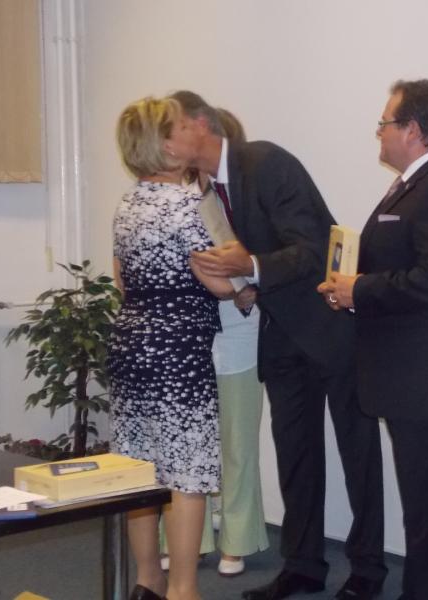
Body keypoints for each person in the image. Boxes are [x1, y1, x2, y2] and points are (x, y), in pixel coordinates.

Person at [170, 91, 387, 600]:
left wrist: (250, 266)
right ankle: (304, 565)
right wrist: (244, 283)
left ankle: (369, 570)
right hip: (282, 334)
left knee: (358, 455)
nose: (164, 142)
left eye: (170, 129)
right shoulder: (208, 189)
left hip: (331, 327)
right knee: (295, 456)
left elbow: (312, 248)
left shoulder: (264, 162)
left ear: (200, 124)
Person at [318, 79, 428, 600]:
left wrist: (360, 290)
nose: (379, 133)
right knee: (424, 513)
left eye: (385, 124)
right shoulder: (417, 183)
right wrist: (350, 288)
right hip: (412, 378)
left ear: (412, 129)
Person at [108, 96, 233, 600]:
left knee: (140, 469)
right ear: (163, 144)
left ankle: (147, 580)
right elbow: (221, 283)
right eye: (178, 129)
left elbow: (121, 280)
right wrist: (247, 284)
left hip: (130, 343)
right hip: (177, 350)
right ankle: (183, 589)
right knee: (187, 475)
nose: (187, 136)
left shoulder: (127, 204)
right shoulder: (187, 206)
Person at [158, 107, 269, 577]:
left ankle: (237, 540)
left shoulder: (246, 197)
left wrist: (247, 285)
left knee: (238, 442)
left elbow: (268, 256)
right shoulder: (177, 196)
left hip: (240, 328)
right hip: (190, 331)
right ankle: (191, 539)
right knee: (189, 445)